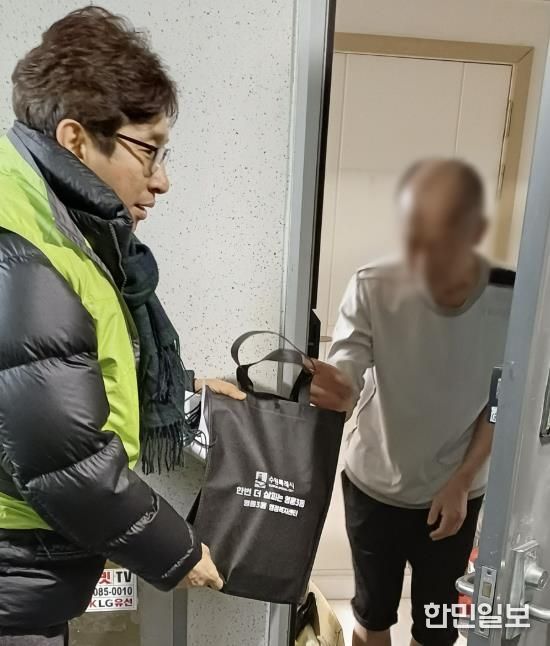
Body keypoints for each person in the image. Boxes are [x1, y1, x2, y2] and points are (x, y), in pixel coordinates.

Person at [0, 7, 246, 645]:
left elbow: (54, 369)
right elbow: (64, 461)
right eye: (148, 151)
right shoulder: (24, 247)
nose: (162, 181)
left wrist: (183, 386)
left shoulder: (44, 216)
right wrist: (178, 552)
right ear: (76, 140)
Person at [312, 160, 514, 646]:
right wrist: (338, 393)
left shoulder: (510, 301)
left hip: (457, 491)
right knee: (372, 616)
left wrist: (463, 479)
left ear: (475, 231)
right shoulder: (374, 285)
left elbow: (501, 401)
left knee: (437, 626)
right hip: (375, 485)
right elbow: (347, 372)